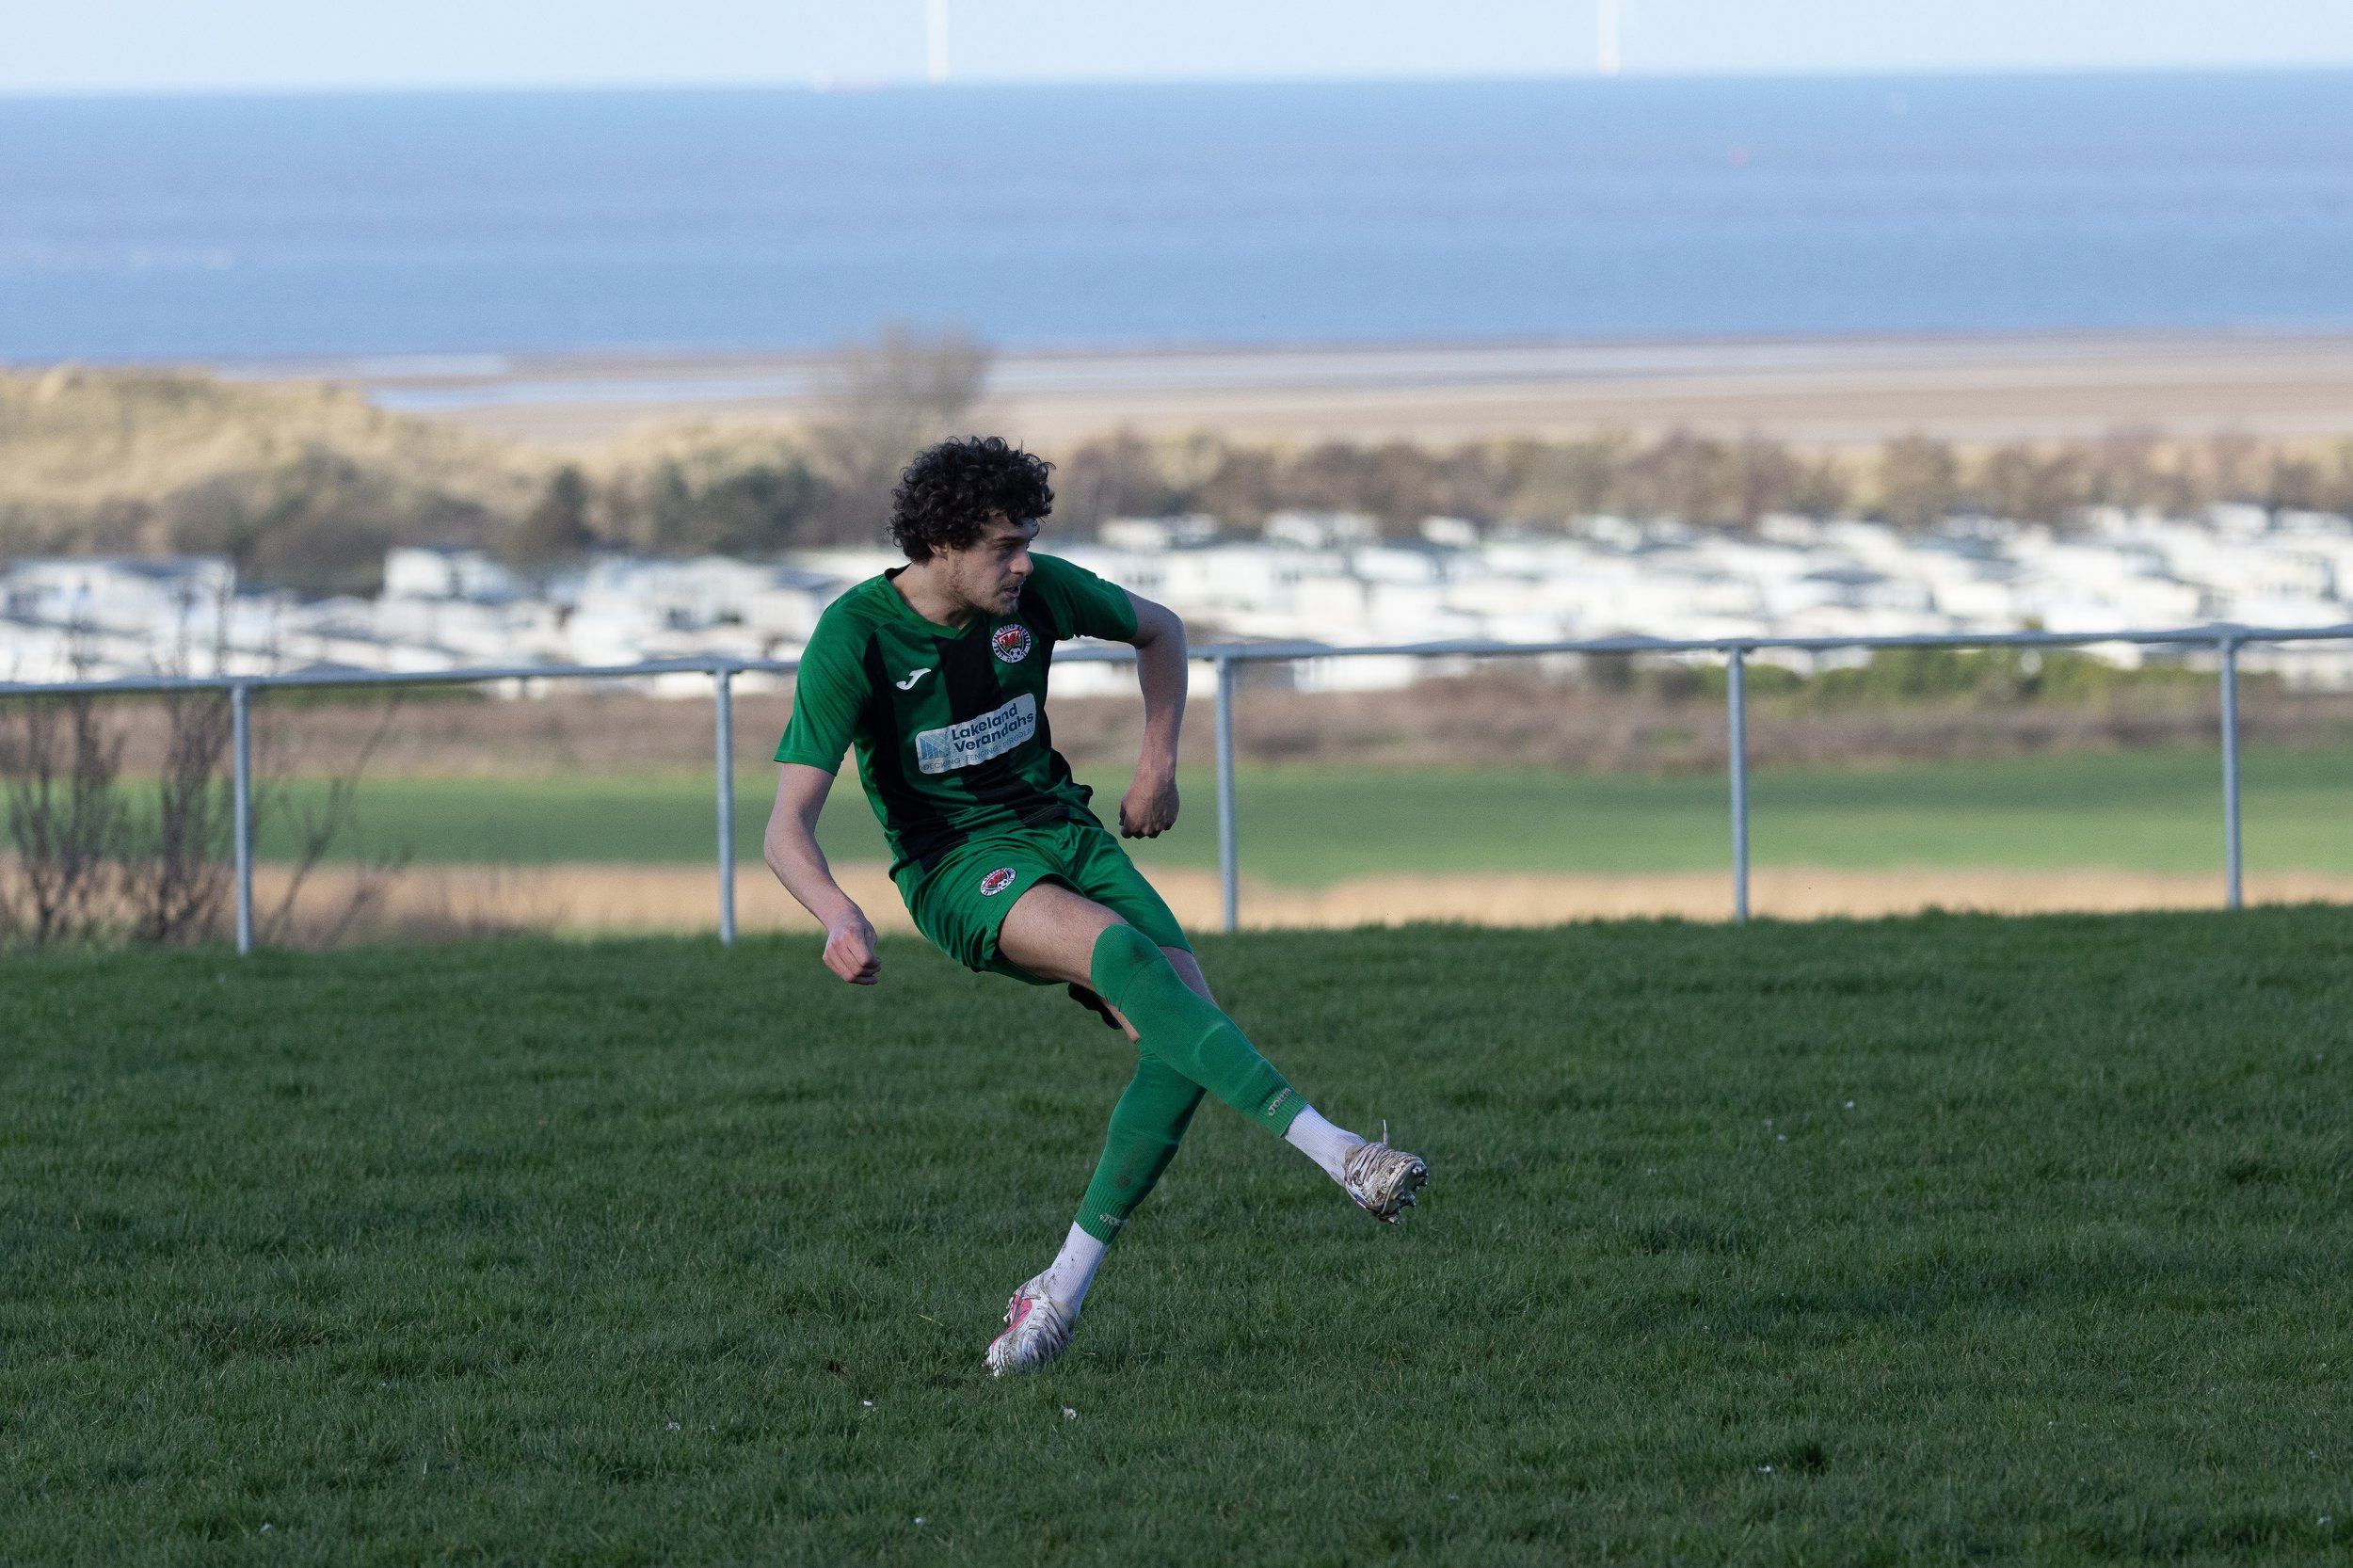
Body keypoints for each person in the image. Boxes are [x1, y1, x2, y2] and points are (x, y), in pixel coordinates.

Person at [763, 436, 1426, 1377]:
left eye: (1029, 540)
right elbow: (786, 824)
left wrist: (1157, 760)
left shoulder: (1034, 594)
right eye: (1003, 545)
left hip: (1065, 835)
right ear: (941, 545)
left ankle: (1058, 1291)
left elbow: (1162, 629)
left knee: (1184, 1038)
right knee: (1123, 957)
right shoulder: (856, 635)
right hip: (958, 870)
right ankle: (1343, 1153)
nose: (1024, 562)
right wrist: (835, 911)